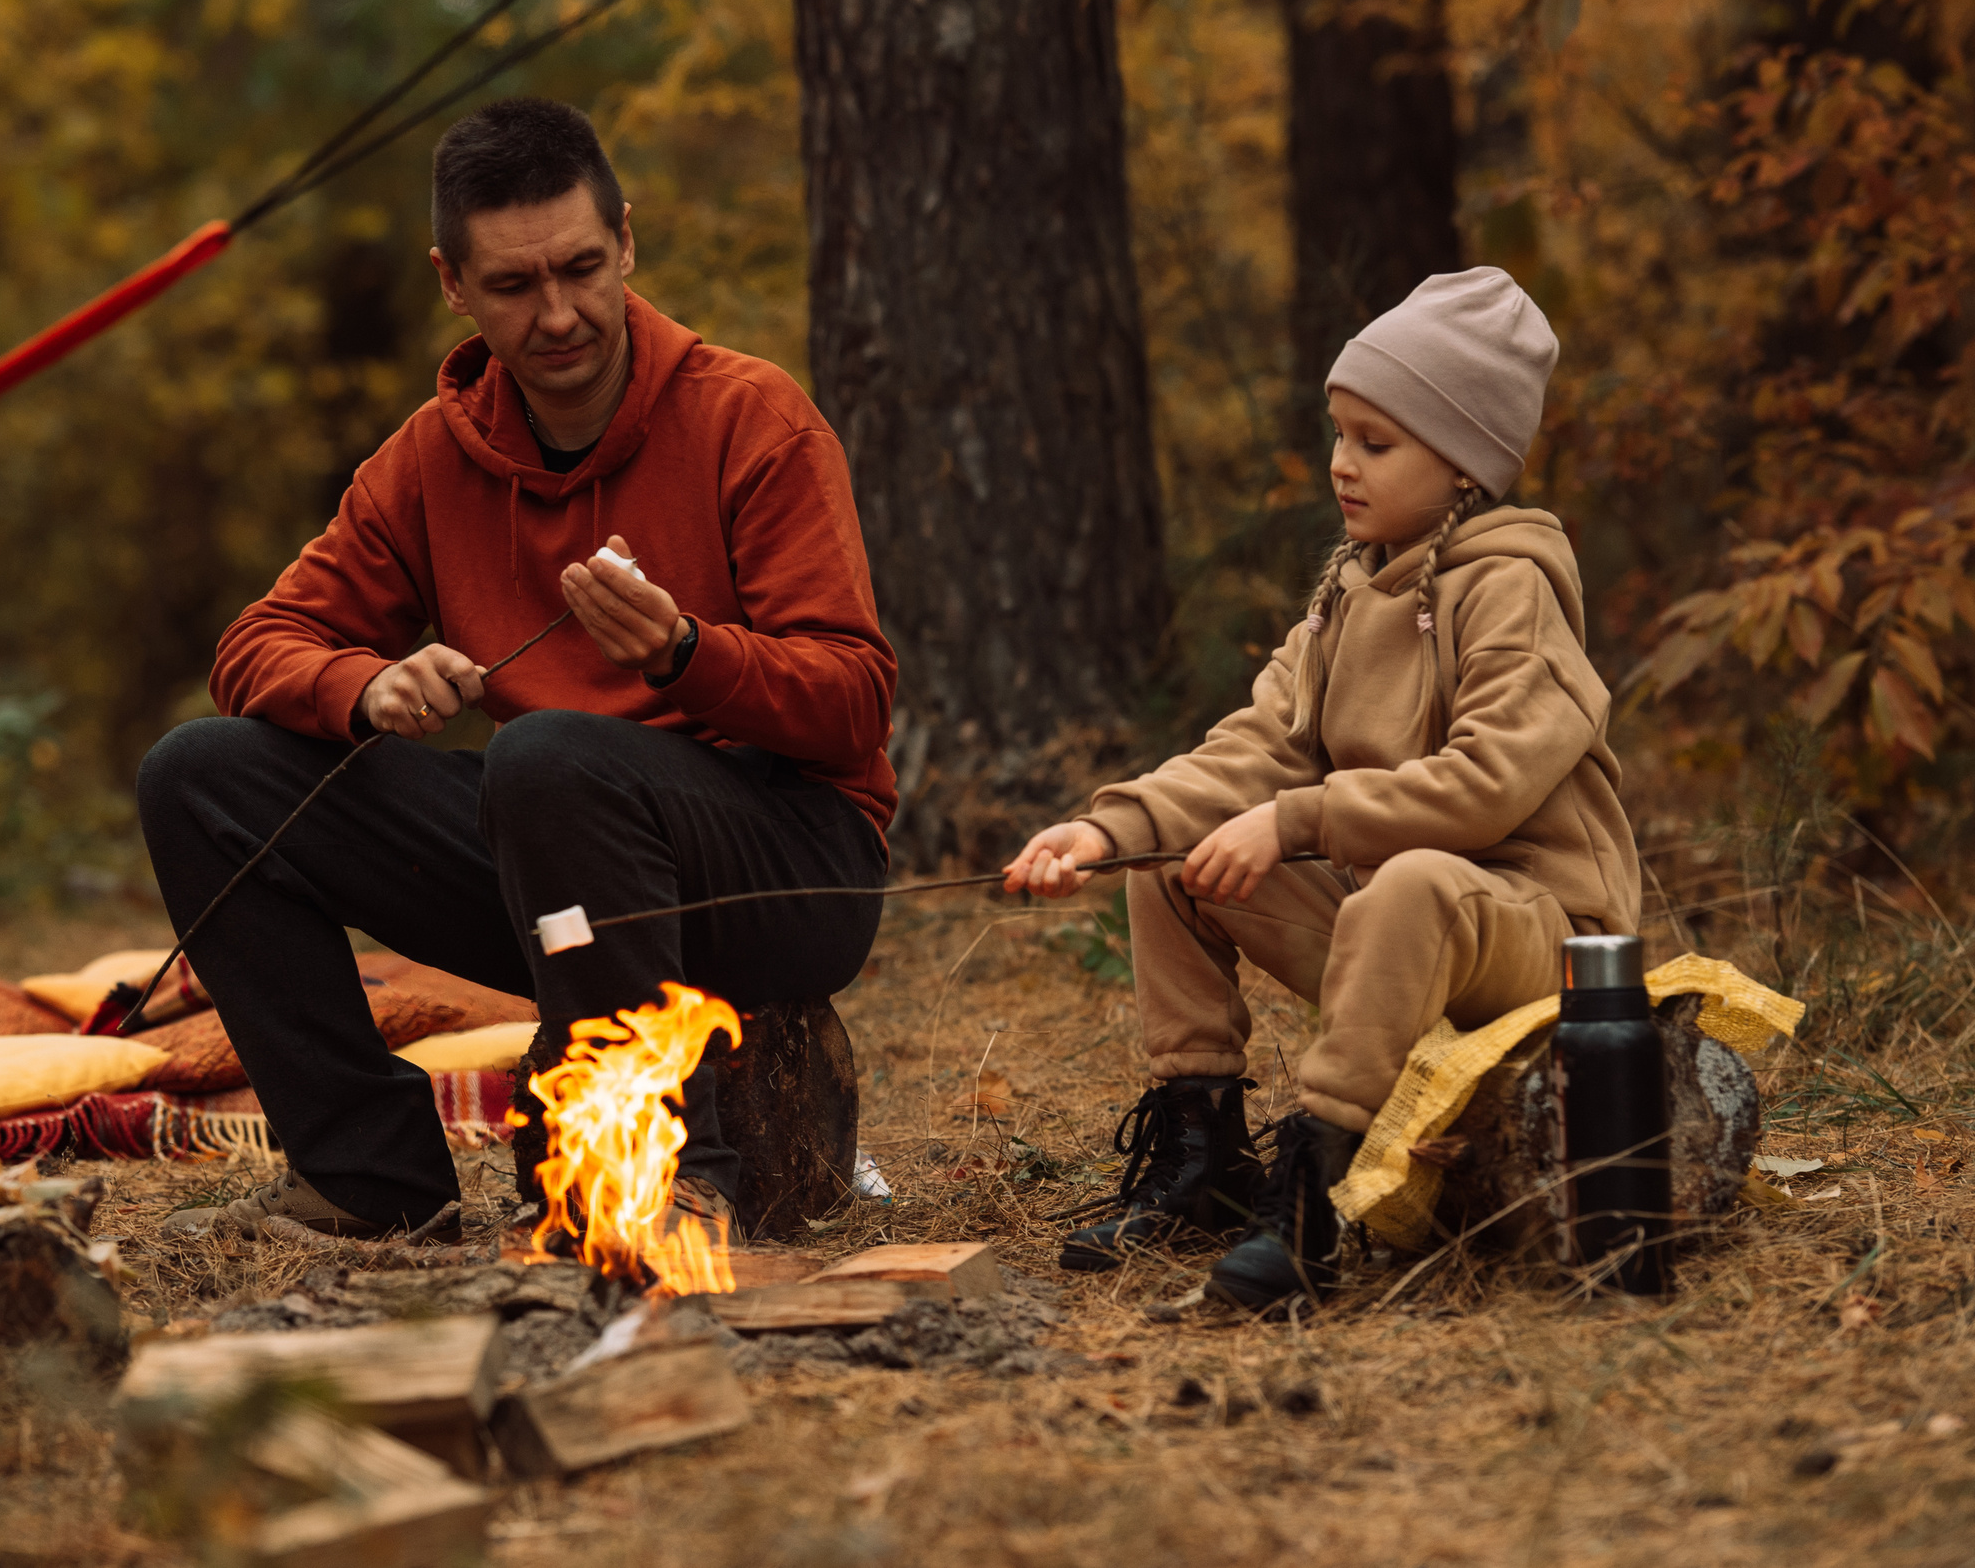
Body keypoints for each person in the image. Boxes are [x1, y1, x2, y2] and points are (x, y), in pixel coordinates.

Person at [137, 97, 895, 1245]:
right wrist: (366, 689)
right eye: (512, 285)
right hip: (560, 872)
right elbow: (253, 648)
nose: (558, 314)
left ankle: (664, 1179)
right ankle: (366, 1177)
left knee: (546, 759)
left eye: (583, 268)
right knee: (201, 775)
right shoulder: (434, 457)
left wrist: (688, 655)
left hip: (785, 865)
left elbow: (851, 702)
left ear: (626, 241)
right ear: (452, 282)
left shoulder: (753, 417)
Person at [1003, 267, 1641, 1309]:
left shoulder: (1512, 590)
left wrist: (1296, 818)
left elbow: (1483, 789)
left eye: (1376, 442)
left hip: (1537, 929)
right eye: (1339, 433)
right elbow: (1253, 747)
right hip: (1401, 924)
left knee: (1411, 883)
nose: (1342, 464)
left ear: (1466, 464)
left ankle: (1314, 1201)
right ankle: (1202, 1151)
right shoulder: (1351, 589)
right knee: (1176, 858)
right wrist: (1103, 827)